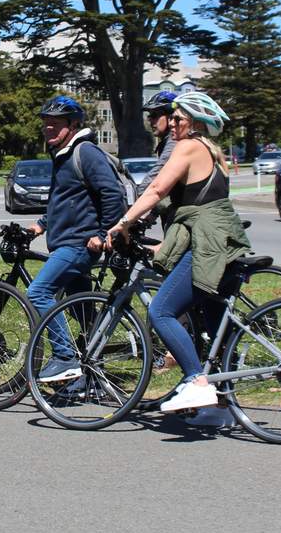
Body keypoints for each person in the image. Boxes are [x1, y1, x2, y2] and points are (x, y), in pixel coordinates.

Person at [107, 91, 250, 415]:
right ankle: (219, 409)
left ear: (196, 122)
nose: (172, 124)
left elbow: (157, 189)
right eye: (171, 118)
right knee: (212, 325)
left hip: (206, 244)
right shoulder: (213, 151)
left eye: (178, 118)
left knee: (161, 311)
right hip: (220, 239)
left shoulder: (188, 147)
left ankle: (196, 381)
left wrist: (123, 222)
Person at [25, 96, 125, 384]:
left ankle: (65, 358)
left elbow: (111, 194)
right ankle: (90, 371)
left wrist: (105, 232)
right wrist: (41, 225)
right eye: (45, 124)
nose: (48, 129)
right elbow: (67, 199)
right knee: (82, 311)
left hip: (79, 244)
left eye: (55, 124)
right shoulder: (62, 154)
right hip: (68, 240)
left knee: (39, 293)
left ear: (73, 125)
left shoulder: (86, 152)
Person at [135, 89, 179, 228]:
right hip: (175, 216)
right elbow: (169, 189)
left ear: (171, 116)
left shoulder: (175, 141)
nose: (150, 120)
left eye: (155, 115)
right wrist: (152, 215)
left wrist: (134, 201)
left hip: (187, 221)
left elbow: (159, 175)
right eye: (149, 116)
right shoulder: (167, 141)